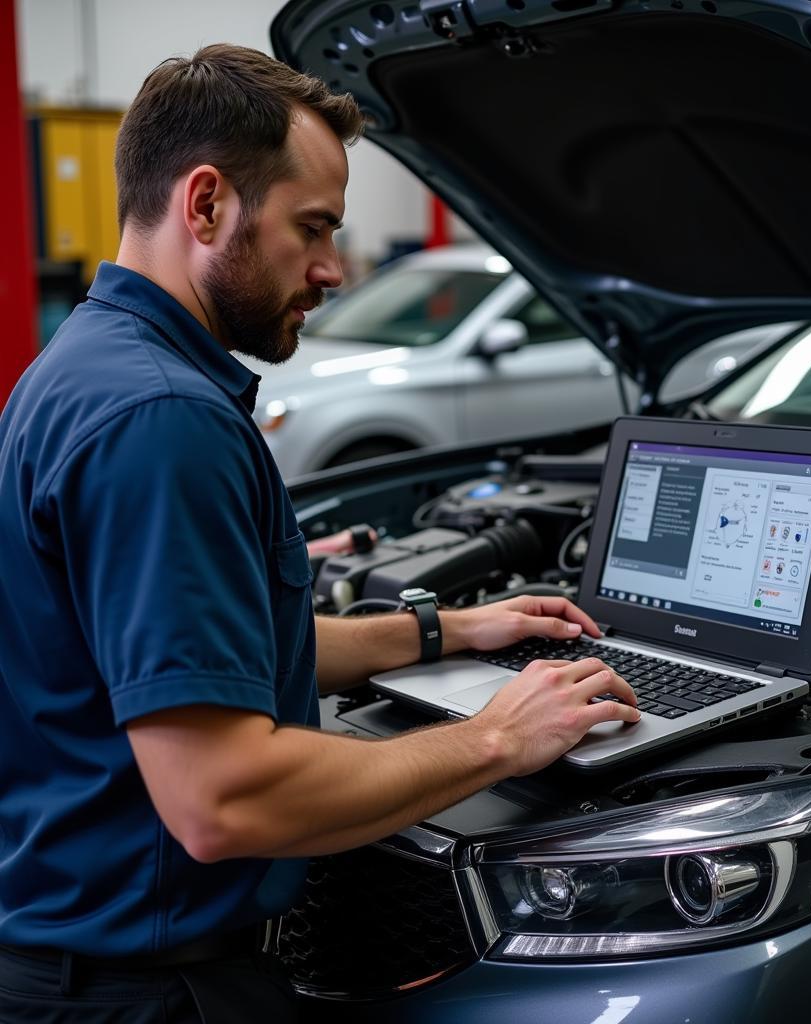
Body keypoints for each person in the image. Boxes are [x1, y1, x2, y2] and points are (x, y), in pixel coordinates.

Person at [0, 44, 638, 1023]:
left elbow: (212, 651)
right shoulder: (161, 420)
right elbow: (224, 800)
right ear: (206, 203)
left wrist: (449, 632)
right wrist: (497, 737)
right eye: (312, 228)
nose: (335, 267)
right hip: (149, 990)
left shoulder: (86, 368)